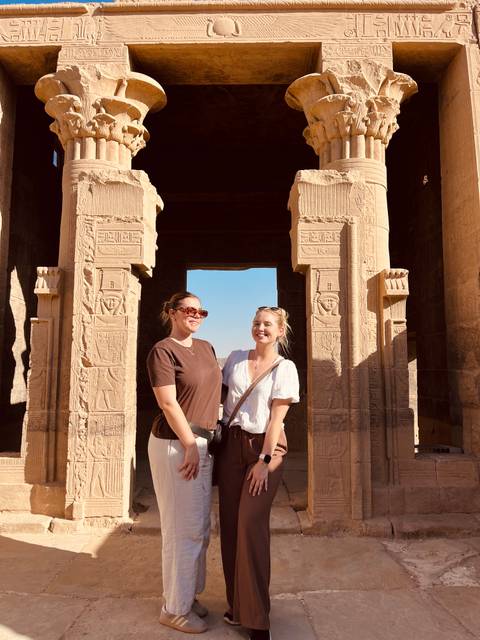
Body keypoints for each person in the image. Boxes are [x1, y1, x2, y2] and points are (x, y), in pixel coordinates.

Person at [217, 306, 300, 640]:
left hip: (264, 447)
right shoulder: (235, 358)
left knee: (250, 526)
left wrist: (264, 462)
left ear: (280, 330)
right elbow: (219, 402)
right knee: (230, 526)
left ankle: (257, 619)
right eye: (256, 323)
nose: (260, 328)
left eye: (267, 324)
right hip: (231, 448)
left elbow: (276, 420)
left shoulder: (285, 368)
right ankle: (237, 606)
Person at [146, 291, 222, 635]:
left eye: (200, 311)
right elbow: (167, 402)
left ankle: (187, 596)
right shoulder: (163, 350)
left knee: (199, 529)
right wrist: (190, 443)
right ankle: (174, 609)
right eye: (189, 310)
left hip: (200, 443)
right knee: (182, 530)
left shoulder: (205, 347)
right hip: (176, 444)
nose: (195, 315)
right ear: (172, 312)